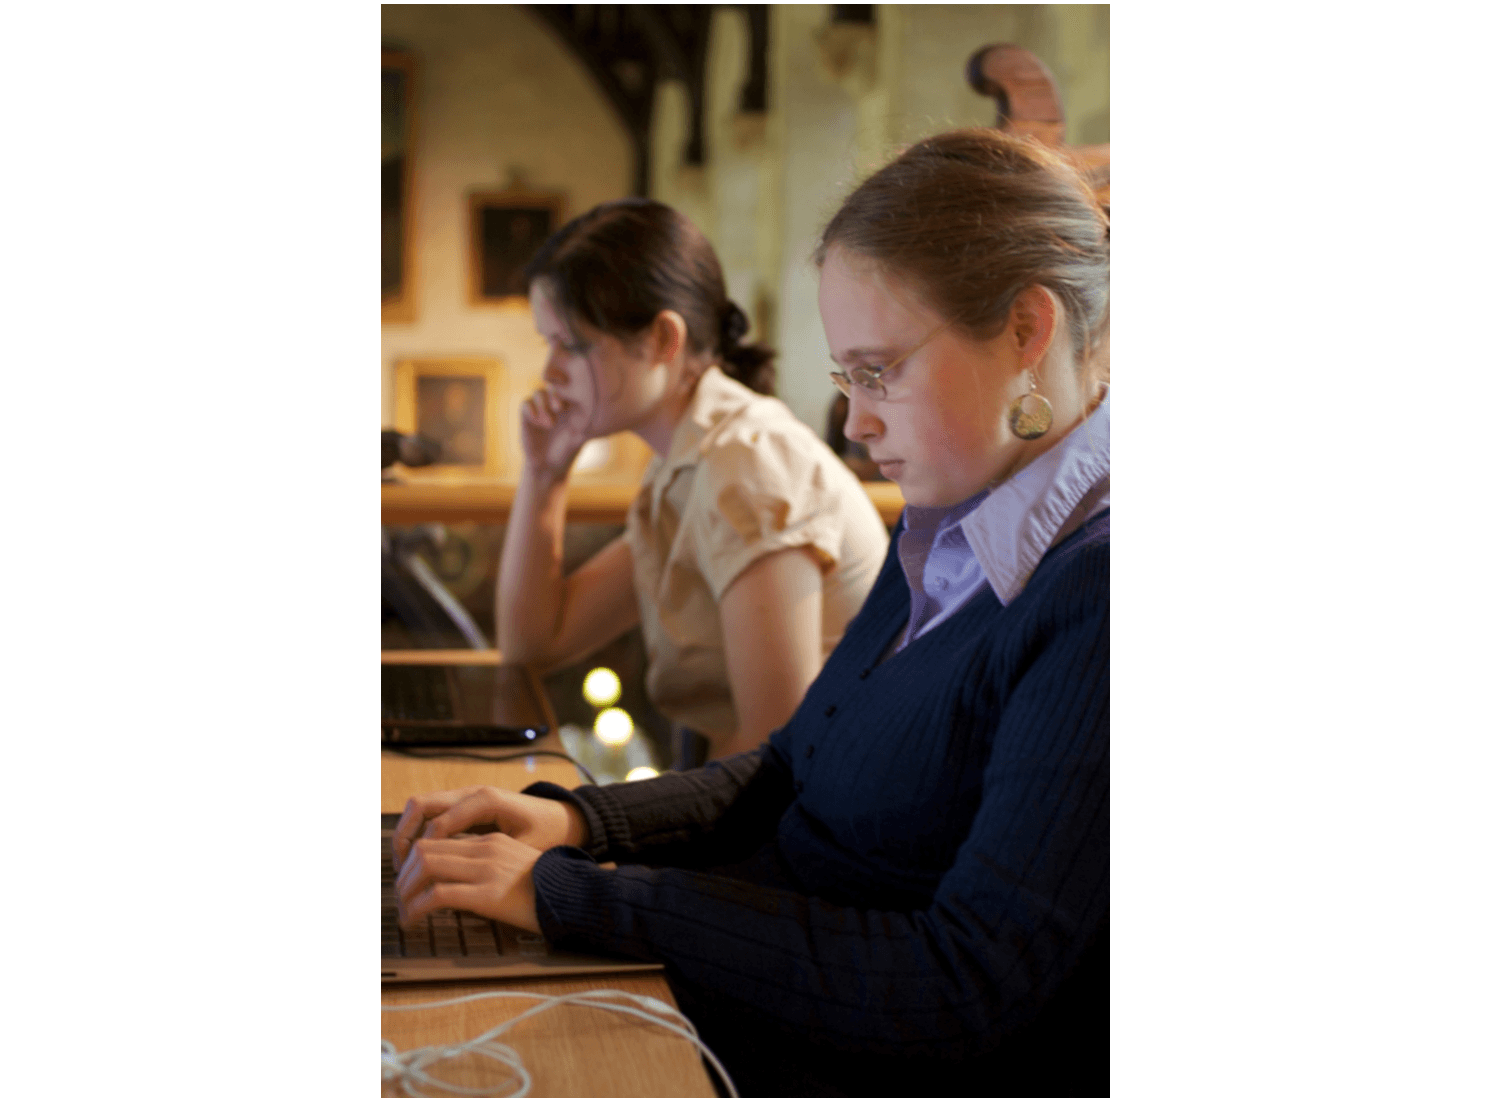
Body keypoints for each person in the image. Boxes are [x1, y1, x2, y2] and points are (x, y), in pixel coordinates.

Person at [394, 130, 1110, 1097]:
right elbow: (784, 768)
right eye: (846, 379)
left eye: (879, 370)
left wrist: (583, 900)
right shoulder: (953, 514)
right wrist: (572, 826)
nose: (855, 423)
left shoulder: (1095, 591)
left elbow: (961, 986)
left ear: (1027, 331)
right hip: (757, 987)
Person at [498, 198, 888, 761]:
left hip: (827, 823)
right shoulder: (685, 461)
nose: (550, 372)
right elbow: (534, 644)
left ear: (662, 339)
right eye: (548, 343)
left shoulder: (746, 463)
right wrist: (543, 473)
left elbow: (773, 747)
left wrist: (599, 827)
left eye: (572, 345)